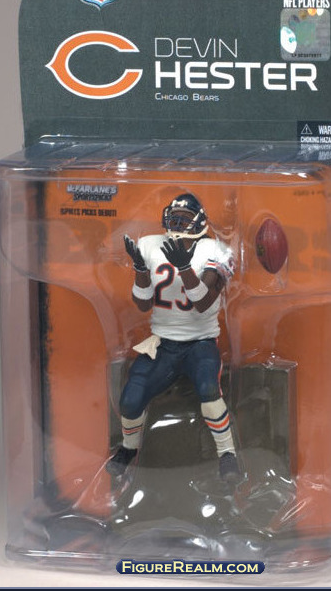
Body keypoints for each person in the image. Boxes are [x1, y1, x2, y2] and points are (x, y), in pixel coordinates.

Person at [106, 193, 241, 483]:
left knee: (209, 388)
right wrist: (140, 269)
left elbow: (202, 303)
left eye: (185, 217)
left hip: (200, 342)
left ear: (200, 222)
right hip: (162, 343)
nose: (178, 221)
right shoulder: (150, 244)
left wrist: (184, 268)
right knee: (130, 399)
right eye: (175, 216)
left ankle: (227, 453)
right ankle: (128, 449)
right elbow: (143, 304)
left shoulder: (215, 249)